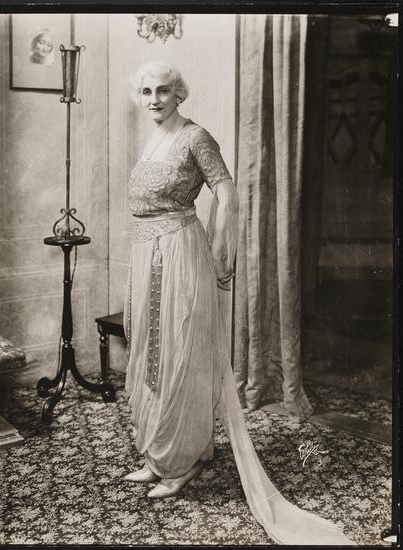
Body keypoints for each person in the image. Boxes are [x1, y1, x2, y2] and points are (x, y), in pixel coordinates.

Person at [123, 60, 353, 545]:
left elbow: (228, 196)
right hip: (145, 253)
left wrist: (219, 253)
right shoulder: (151, 140)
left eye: (163, 90)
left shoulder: (196, 138)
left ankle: (181, 463)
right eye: (146, 92)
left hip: (180, 253)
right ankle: (160, 455)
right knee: (152, 352)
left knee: (180, 353)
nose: (154, 99)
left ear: (179, 93)